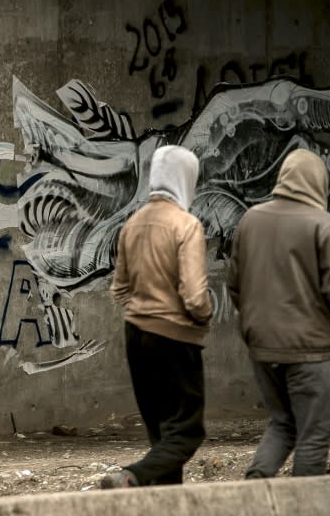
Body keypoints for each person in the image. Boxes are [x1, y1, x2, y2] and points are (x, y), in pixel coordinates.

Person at [227, 148, 330, 478]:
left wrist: (255, 327)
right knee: (313, 438)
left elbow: (235, 285)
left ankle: (253, 495)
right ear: (318, 183)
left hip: (263, 348)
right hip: (311, 351)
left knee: (282, 424)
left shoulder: (250, 221)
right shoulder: (324, 225)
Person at [102, 145, 213, 488]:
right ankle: (131, 475)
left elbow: (118, 289)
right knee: (186, 432)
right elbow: (195, 296)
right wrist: (205, 316)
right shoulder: (187, 225)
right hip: (175, 339)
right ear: (185, 178)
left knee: (160, 434)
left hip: (136, 335)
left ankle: (164, 501)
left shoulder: (131, 225)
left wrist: (143, 306)